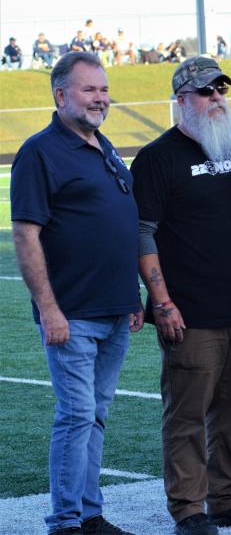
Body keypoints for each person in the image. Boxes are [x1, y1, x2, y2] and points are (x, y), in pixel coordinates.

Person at [131, 57, 231, 535]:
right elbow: (142, 233)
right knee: (187, 416)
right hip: (189, 312)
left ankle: (228, 499)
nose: (216, 98)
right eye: (204, 91)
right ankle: (189, 510)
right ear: (181, 100)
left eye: (220, 90)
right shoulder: (156, 157)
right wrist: (162, 302)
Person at [11, 52, 142, 535]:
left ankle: (89, 514)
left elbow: (118, 225)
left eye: (104, 90)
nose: (100, 98)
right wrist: (49, 309)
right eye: (90, 90)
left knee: (97, 416)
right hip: (72, 313)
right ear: (61, 94)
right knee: (76, 416)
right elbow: (25, 234)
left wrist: (131, 296)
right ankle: (65, 520)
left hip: (114, 310)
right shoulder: (40, 151)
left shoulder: (104, 146)